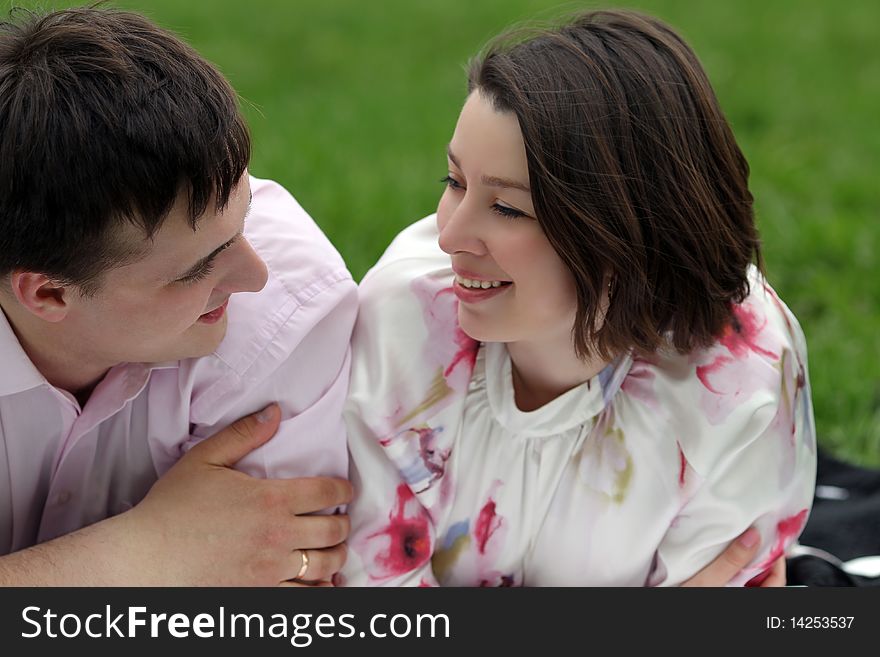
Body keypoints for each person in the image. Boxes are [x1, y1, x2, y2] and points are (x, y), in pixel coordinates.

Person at [339, 9, 815, 586]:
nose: (449, 237)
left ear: (630, 233)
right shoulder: (405, 316)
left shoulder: (739, 384)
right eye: (454, 182)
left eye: (508, 208)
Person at [0, 7, 355, 585]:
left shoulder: (285, 309)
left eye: (242, 221)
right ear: (48, 294)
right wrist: (142, 554)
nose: (255, 275)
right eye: (198, 269)